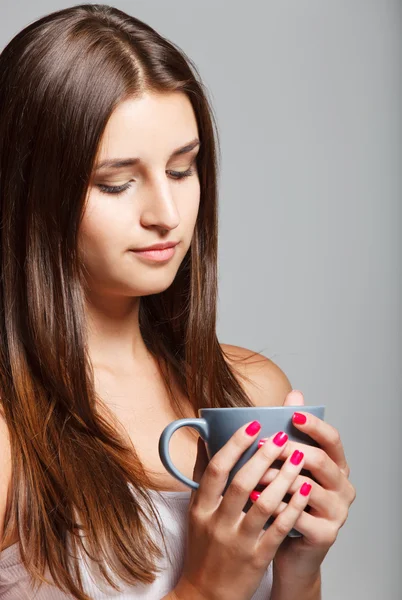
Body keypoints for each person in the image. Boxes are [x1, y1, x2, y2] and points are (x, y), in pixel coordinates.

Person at [0, 4, 356, 600]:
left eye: (182, 170)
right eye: (116, 182)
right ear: (30, 192)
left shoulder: (252, 392)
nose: (166, 214)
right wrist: (206, 587)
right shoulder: (12, 440)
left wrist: (301, 572)